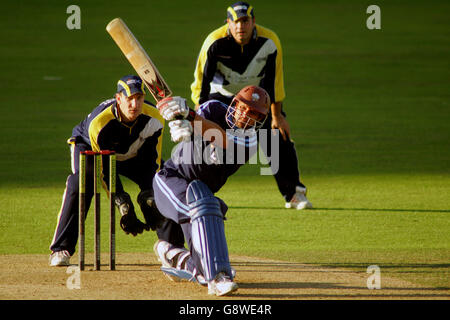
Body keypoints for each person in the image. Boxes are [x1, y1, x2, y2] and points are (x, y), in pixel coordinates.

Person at [49, 75, 184, 266]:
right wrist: (121, 200)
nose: (134, 105)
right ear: (118, 98)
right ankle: (61, 248)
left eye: (138, 98)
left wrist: (149, 194)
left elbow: (152, 162)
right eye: (128, 99)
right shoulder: (100, 123)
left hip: (133, 151)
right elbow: (104, 170)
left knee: (164, 184)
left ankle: (174, 249)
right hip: (91, 150)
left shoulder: (154, 117)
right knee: (81, 183)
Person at [190, 1, 312, 210]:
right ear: (228, 23)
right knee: (204, 140)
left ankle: (293, 193)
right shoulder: (214, 42)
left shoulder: (270, 42)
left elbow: (274, 81)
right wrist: (199, 118)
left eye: (245, 21)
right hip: (221, 98)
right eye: (236, 22)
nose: (240, 27)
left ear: (253, 22)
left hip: (255, 100)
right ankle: (193, 190)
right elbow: (201, 83)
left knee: (276, 135)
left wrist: (277, 116)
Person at [151, 85, 270, 296]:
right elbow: (200, 121)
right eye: (243, 107)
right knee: (205, 207)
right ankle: (218, 276)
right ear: (235, 103)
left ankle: (174, 254)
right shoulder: (214, 108)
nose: (245, 115)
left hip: (198, 191)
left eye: (253, 113)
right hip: (170, 179)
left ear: (260, 119)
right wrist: (182, 122)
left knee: (206, 206)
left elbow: (219, 137)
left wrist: (190, 117)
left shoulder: (249, 141)